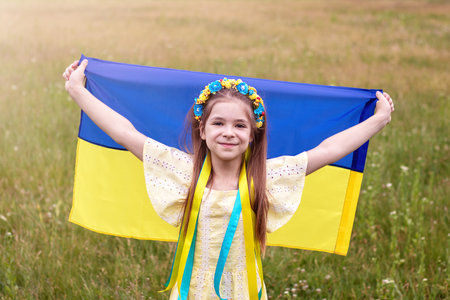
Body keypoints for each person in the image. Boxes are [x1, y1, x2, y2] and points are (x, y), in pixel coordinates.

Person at [63, 59, 394, 299]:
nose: (228, 132)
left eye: (239, 126)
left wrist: (378, 121)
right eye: (218, 123)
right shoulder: (182, 171)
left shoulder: (268, 176)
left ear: (253, 135)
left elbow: (329, 149)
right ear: (202, 131)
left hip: (244, 290)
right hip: (193, 289)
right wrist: (78, 91)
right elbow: (124, 132)